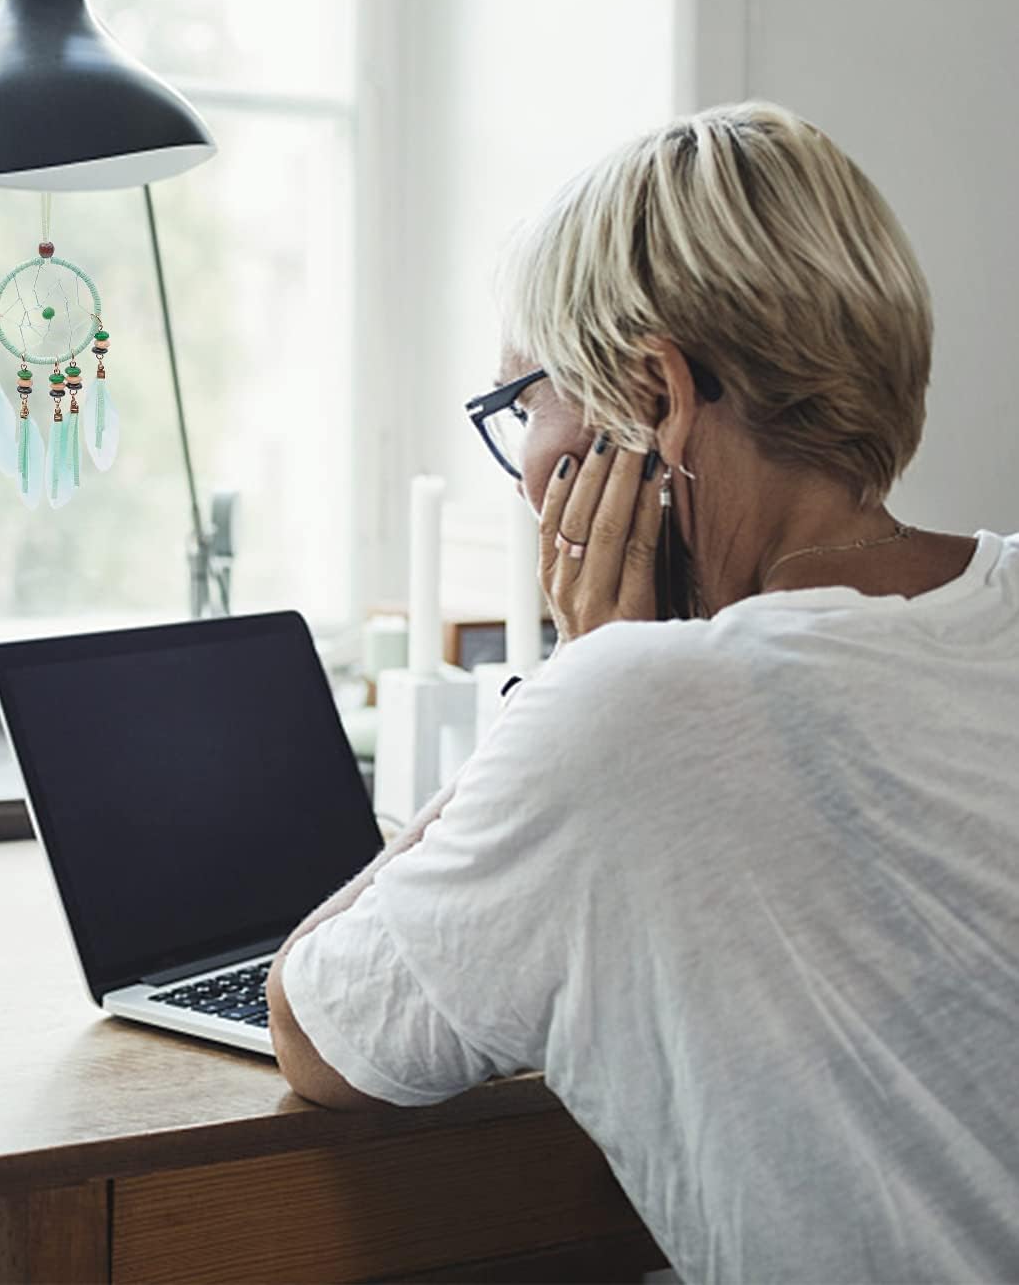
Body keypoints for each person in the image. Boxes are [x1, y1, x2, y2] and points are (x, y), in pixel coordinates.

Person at [265, 101, 1019, 1282]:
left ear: (657, 395)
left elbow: (316, 1031)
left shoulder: (626, 711)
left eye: (524, 406)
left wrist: (578, 678)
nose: (523, 476)